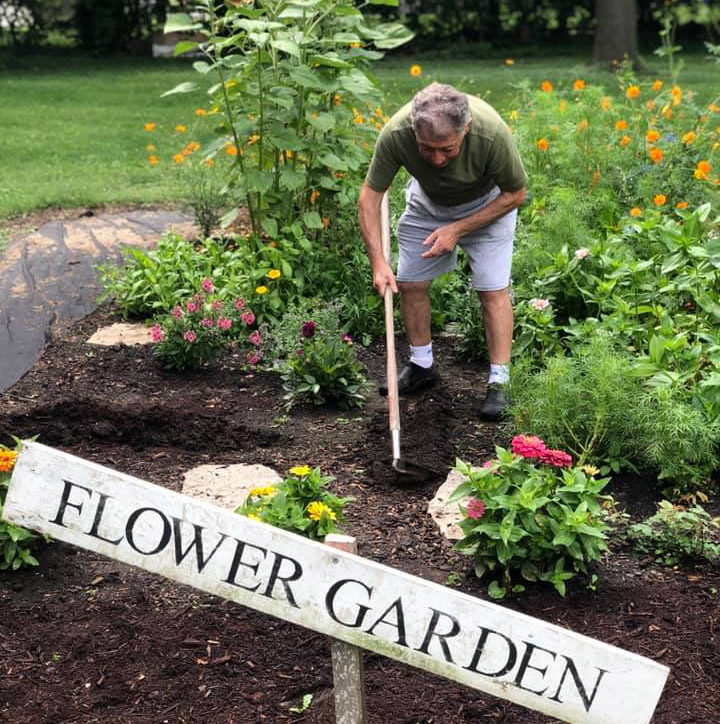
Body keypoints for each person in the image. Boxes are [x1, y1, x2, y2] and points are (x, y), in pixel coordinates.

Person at [358, 82, 527, 421]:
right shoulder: (396, 133)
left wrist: (458, 229)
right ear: (414, 132)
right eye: (426, 149)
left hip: (489, 206)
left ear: (467, 129)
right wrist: (378, 262)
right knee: (409, 283)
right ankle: (422, 366)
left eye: (447, 150)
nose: (437, 159)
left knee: (492, 289)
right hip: (428, 204)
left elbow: (515, 193)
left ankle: (500, 381)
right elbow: (369, 198)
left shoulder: (491, 133)